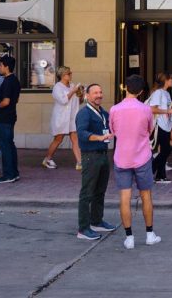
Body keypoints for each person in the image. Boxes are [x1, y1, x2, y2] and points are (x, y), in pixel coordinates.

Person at [109, 75, 161, 249]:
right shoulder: (145, 109)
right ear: (141, 92)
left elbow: (113, 130)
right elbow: (150, 129)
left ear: (126, 88)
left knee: (125, 196)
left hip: (122, 157)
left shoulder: (115, 109)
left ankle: (129, 237)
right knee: (146, 195)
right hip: (142, 157)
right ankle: (149, 233)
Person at [75, 83, 116, 241]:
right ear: (87, 95)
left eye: (100, 92)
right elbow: (82, 133)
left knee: (100, 191)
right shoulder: (84, 113)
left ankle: (96, 221)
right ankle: (83, 228)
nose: (99, 95)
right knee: (87, 193)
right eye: (95, 93)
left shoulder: (103, 113)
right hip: (90, 156)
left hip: (103, 155)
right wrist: (99, 137)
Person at [43, 66, 83, 170]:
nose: (70, 75)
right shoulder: (57, 87)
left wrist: (80, 94)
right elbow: (63, 100)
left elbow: (78, 102)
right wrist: (73, 91)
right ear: (63, 75)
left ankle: (79, 162)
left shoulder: (72, 85)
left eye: (70, 73)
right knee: (58, 139)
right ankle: (47, 159)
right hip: (61, 117)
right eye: (68, 73)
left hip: (72, 117)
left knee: (75, 138)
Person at [0, 55, 21, 184]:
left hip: (4, 117)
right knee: (10, 145)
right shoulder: (15, 80)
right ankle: (14, 173)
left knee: (5, 146)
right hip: (11, 116)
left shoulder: (7, 81)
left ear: (6, 66)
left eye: (0, 65)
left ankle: (8, 175)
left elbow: (5, 101)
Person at [147, 72, 172, 184]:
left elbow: (167, 108)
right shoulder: (158, 93)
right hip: (159, 125)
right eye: (171, 79)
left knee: (165, 150)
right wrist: (167, 111)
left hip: (166, 125)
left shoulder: (166, 93)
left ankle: (160, 176)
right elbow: (152, 109)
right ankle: (152, 172)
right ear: (166, 80)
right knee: (166, 150)